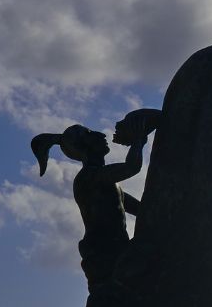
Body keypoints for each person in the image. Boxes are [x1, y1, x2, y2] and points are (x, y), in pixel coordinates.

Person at [30, 108, 160, 290]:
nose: (100, 134)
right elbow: (132, 167)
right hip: (104, 253)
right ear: (84, 146)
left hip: (119, 247)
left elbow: (140, 210)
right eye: (89, 134)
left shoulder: (110, 184)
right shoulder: (89, 178)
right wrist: (138, 139)